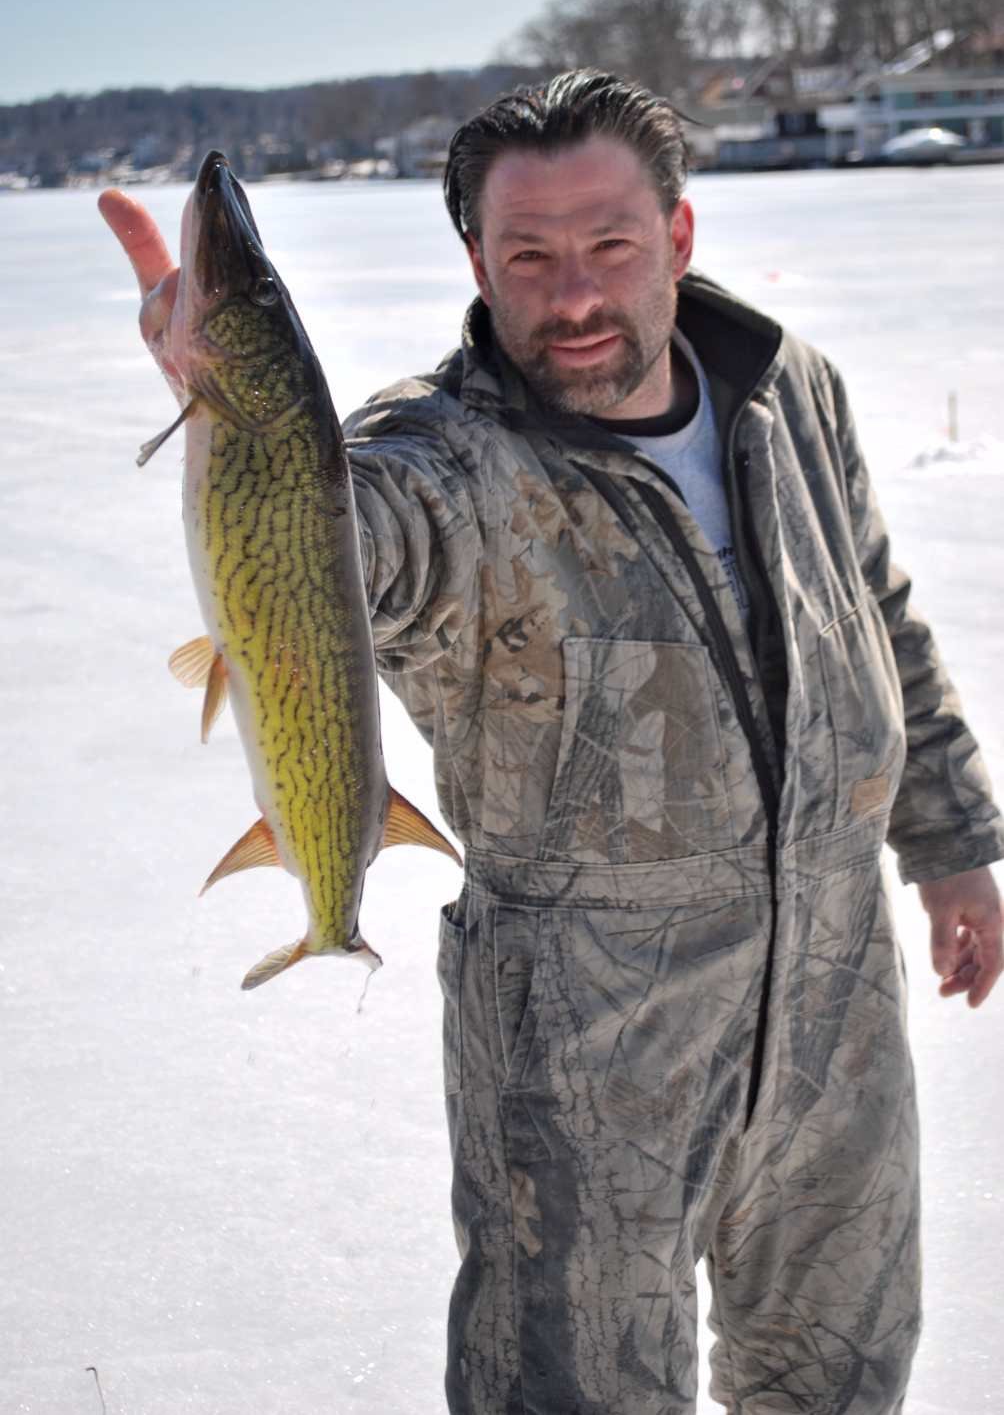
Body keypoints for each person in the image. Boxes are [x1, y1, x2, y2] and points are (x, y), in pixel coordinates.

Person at [101, 69, 1004, 1415]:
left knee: (841, 1376)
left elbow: (874, 607)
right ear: (477, 259)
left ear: (679, 239)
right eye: (528, 256)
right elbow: (358, 551)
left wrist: (952, 844)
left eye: (611, 247)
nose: (573, 296)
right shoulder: (439, 463)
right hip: (586, 1063)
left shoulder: (785, 387)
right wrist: (248, 413)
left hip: (837, 1008)